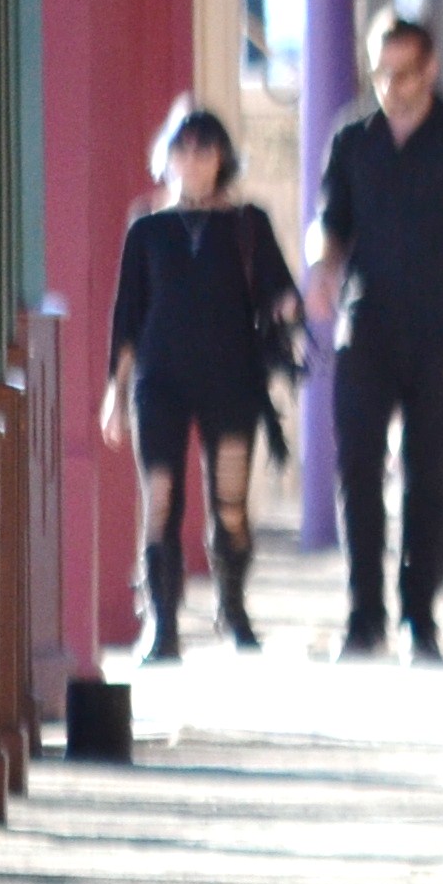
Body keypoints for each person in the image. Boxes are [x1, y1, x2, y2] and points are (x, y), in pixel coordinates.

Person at [307, 14, 443, 662]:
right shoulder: (352, 139)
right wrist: (323, 265)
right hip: (367, 325)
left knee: (430, 473)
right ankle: (365, 616)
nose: (391, 86)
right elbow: (331, 223)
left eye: (404, 73)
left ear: (431, 70)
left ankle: (420, 615)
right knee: (357, 467)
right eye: (381, 73)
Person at [98, 101, 300, 663]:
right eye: (182, 147)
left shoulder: (247, 223)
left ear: (224, 158)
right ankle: (161, 624)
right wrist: (114, 393)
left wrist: (291, 311)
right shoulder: (147, 228)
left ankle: (233, 611)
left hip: (232, 379)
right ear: (164, 157)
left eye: (205, 147)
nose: (194, 158)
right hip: (158, 382)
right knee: (159, 500)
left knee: (230, 503)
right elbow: (127, 317)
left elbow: (277, 288)